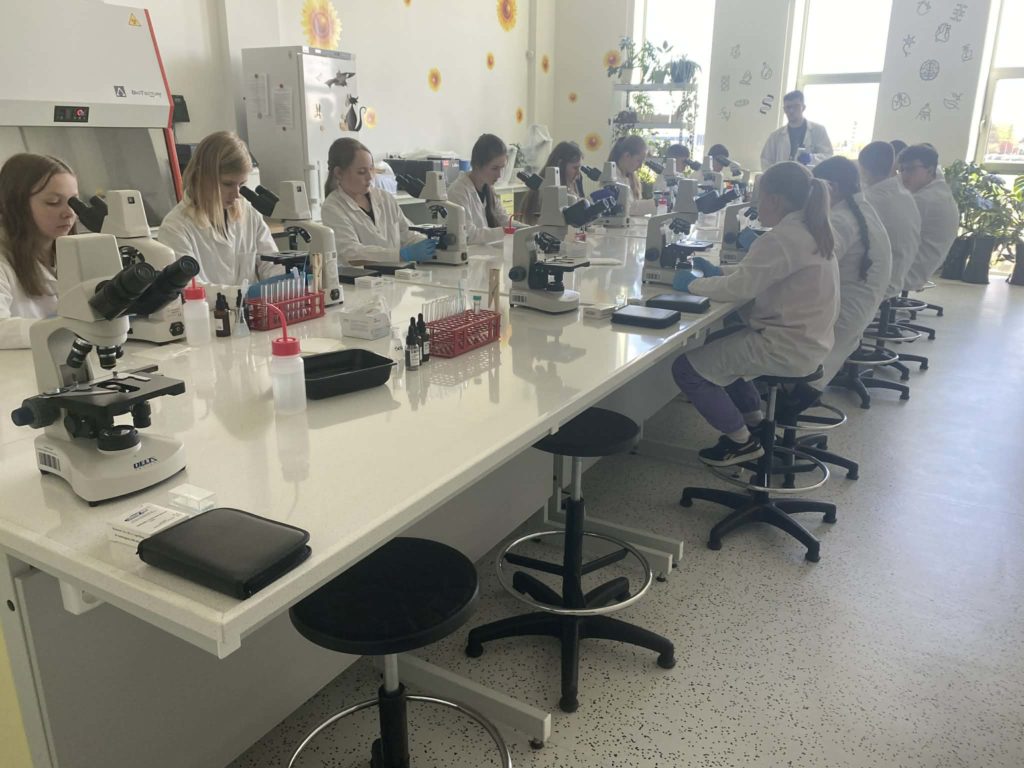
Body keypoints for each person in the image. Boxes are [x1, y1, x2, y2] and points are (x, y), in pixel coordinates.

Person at [668, 162, 840, 466]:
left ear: (774, 199)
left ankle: (741, 442)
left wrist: (692, 284)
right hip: (809, 340)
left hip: (784, 345)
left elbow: (740, 288)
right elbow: (762, 272)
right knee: (721, 339)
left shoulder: (782, 238)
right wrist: (719, 271)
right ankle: (755, 421)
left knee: (685, 369)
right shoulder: (809, 230)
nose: (756, 205)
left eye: (758, 198)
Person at [158, 131, 280, 291]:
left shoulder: (249, 214)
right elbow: (189, 288)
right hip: (207, 308)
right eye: (228, 184)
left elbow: (271, 264)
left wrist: (287, 282)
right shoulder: (175, 227)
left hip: (251, 305)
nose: (236, 194)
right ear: (201, 177)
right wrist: (245, 294)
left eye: (241, 184)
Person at [812, 157, 893, 388]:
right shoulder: (860, 210)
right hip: (856, 312)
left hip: (839, 318)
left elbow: (810, 267)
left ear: (833, 188)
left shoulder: (841, 220)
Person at [0, 154, 77, 349]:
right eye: (53, 202)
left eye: (73, 202)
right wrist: (71, 327)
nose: (69, 213)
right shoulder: (3, 261)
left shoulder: (74, 254)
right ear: (16, 206)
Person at [320, 137, 434, 264]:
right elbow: (351, 253)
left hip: (396, 273)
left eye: (371, 169)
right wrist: (401, 255)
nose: (370, 177)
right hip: (360, 276)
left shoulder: (385, 198)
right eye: (361, 172)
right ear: (339, 173)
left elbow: (407, 233)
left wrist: (431, 243)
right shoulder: (333, 208)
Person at [859, 141, 921, 299]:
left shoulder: (870, 200)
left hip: (879, 283)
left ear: (863, 169)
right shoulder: (904, 194)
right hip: (899, 274)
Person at [897, 144, 959, 291]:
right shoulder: (939, 191)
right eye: (902, 170)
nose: (904, 176)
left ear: (930, 170)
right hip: (919, 266)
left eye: (911, 169)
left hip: (908, 271)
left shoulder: (925, 199)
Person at [447, 134, 523, 244]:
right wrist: (506, 231)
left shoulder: (488, 189)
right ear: (478, 165)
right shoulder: (458, 192)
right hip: (467, 252)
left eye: (502, 168)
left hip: (483, 252)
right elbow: (468, 235)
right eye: (494, 168)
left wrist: (530, 229)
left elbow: (504, 220)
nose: (499, 175)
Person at [760, 90, 833, 170]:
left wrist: (811, 158)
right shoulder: (775, 136)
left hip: (809, 176)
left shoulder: (818, 130)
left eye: (796, 106)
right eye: (788, 107)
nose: (791, 110)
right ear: (784, 110)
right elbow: (766, 161)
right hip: (782, 176)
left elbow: (828, 157)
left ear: (803, 107)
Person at [519, 141, 583, 224]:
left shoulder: (570, 187)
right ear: (561, 165)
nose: (578, 173)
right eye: (575, 168)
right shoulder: (545, 190)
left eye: (579, 168)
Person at [608, 135, 647, 204]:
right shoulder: (611, 178)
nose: (640, 166)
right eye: (638, 160)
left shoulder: (633, 180)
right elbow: (627, 206)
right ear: (627, 156)